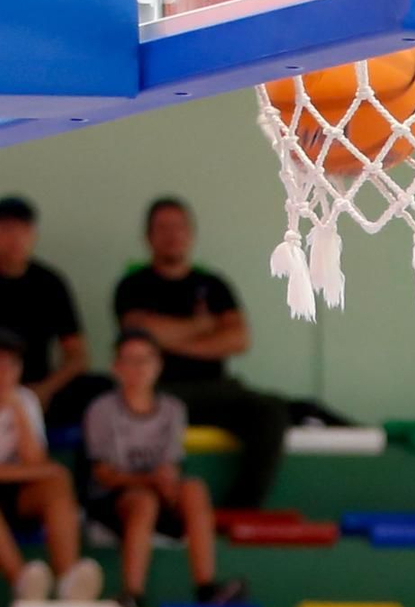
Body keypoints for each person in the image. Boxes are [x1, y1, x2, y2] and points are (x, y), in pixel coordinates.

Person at [113, 199, 288, 511]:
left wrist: (168, 341)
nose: (172, 235)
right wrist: (203, 326)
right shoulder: (133, 285)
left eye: (179, 227)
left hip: (215, 391)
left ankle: (239, 510)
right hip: (158, 392)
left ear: (191, 234)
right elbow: (139, 330)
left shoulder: (213, 285)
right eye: (163, 228)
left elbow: (238, 339)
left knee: (271, 411)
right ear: (148, 236)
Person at [83, 331, 246, 607]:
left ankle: (206, 587)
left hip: (160, 490)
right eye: (130, 360)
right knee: (143, 502)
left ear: (158, 364)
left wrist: (167, 483)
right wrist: (150, 480)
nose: (138, 368)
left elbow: (171, 463)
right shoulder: (102, 409)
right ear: (116, 367)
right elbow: (103, 473)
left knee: (193, 489)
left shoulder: (173, 409)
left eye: (145, 360)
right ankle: (132, 592)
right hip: (114, 498)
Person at [0, 329, 102, 603]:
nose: (5, 371)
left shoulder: (25, 400)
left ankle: (68, 579)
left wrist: (17, 410)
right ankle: (22, 580)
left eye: (12, 364)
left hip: (11, 494)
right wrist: (31, 471)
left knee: (56, 482)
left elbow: (36, 462)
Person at [0, 196, 109, 426]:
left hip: (37, 385)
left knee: (102, 388)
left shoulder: (51, 283)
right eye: (7, 230)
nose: (16, 238)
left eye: (23, 231)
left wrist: (44, 390)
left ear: (34, 235)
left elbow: (78, 355)